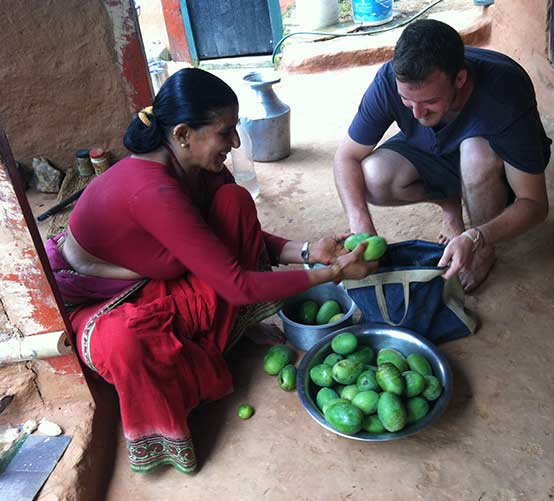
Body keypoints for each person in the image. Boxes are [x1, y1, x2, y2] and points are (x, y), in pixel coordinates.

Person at [44, 68, 376, 474]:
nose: (235, 142)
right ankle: (189, 381)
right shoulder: (153, 192)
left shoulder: (203, 169)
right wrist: (333, 273)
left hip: (159, 278)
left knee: (233, 203)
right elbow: (235, 284)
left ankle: (216, 341)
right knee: (129, 342)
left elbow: (226, 237)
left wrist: (308, 251)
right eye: (225, 132)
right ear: (183, 134)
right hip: (102, 300)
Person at [334, 19, 551, 292]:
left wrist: (477, 238)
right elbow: (346, 157)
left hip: (498, 166)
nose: (416, 114)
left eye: (429, 101)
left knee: (476, 153)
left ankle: (485, 251)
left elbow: (534, 203)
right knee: (374, 177)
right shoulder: (390, 79)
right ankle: (451, 206)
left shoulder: (504, 95)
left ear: (460, 79)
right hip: (439, 150)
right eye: (406, 101)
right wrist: (361, 226)